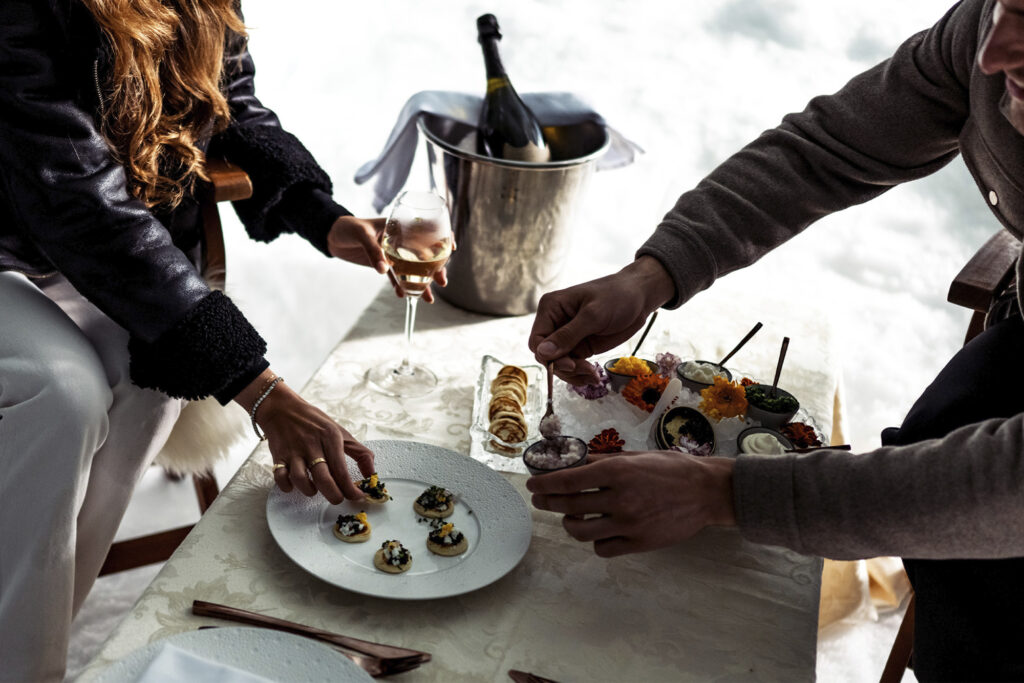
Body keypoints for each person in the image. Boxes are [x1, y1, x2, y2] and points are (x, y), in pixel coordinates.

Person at [528, 0, 1024, 679]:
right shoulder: (987, 35)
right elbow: (830, 148)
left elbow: (1006, 488)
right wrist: (653, 273)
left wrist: (722, 493)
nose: (993, 52)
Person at [0, 2, 441, 680]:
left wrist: (321, 216)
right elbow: (73, 195)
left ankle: (33, 639)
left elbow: (229, 102)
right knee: (65, 394)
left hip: (93, 253)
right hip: (35, 234)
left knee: (151, 383)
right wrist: (259, 388)